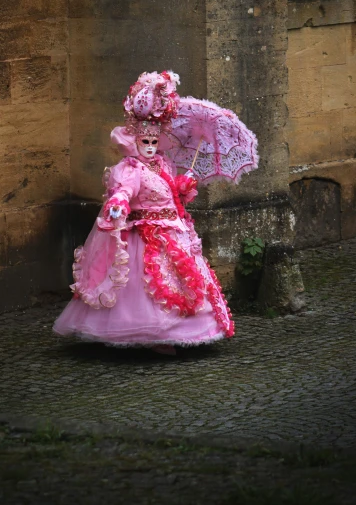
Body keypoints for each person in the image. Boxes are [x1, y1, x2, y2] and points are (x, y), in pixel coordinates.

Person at [53, 71, 234, 354]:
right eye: (144, 143)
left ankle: (177, 331)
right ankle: (150, 335)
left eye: (153, 143)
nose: (149, 148)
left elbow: (171, 195)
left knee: (182, 278)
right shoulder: (130, 168)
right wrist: (118, 204)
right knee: (147, 284)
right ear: (134, 143)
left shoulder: (163, 166)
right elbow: (124, 191)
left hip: (172, 231)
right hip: (144, 235)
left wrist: (183, 187)